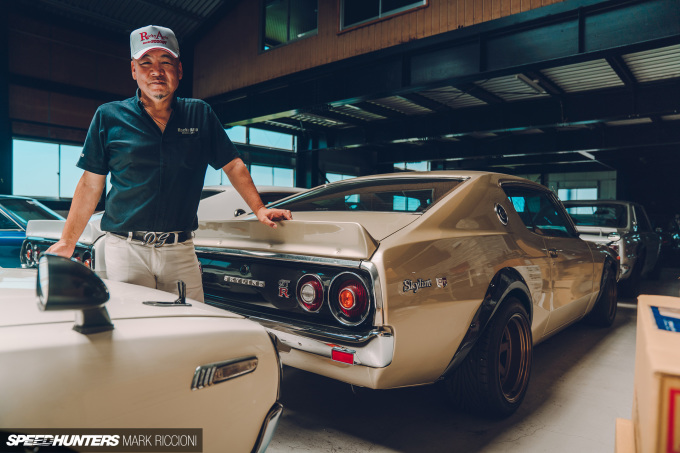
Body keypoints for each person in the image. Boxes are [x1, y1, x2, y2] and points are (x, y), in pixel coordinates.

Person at [47, 25, 292, 301]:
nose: (156, 71)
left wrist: (259, 209)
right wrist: (67, 242)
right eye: (146, 63)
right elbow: (91, 185)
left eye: (165, 62)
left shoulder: (200, 115)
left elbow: (232, 165)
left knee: (190, 323)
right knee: (134, 324)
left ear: (179, 70)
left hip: (180, 250)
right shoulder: (109, 117)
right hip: (126, 250)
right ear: (133, 70)